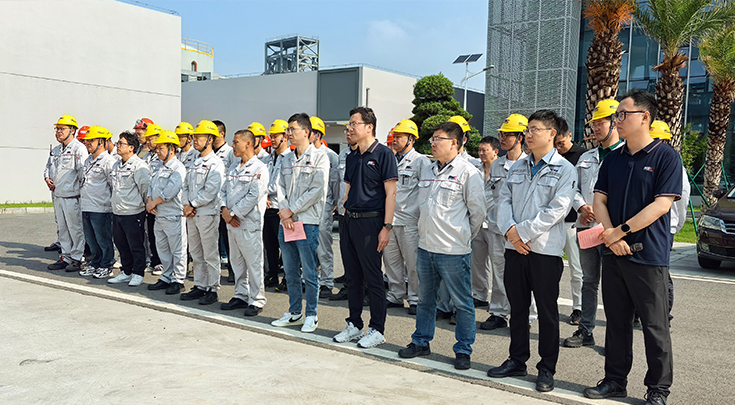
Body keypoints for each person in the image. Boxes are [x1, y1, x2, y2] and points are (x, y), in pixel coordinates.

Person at [583, 90, 681, 405]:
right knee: (616, 321)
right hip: (614, 252)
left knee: (654, 326)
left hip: (648, 255)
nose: (617, 120)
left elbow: (662, 205)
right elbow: (599, 200)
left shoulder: (666, 157)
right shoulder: (613, 158)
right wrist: (612, 237)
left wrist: (620, 232)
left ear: (645, 117)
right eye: (617, 115)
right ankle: (615, 381)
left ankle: (658, 389)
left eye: (623, 114)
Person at [488, 109, 576, 393]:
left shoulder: (565, 169)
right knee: (518, 308)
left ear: (552, 134)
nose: (528, 134)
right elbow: (503, 200)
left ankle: (546, 368)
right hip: (514, 248)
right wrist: (510, 232)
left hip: (544, 252)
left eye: (534, 129)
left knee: (547, 313)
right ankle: (517, 360)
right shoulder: (518, 167)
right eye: (528, 130)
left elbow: (557, 210)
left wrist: (521, 233)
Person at [397, 121, 485, 370]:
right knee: (425, 300)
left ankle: (463, 349)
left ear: (454, 143)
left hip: (453, 251)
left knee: (462, 303)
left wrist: (463, 237)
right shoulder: (427, 169)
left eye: (438, 139)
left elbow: (478, 213)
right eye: (432, 139)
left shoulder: (468, 172)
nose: (433, 143)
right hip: (426, 247)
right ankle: (421, 341)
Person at [332, 106, 398, 349]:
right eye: (349, 124)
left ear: (369, 127)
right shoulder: (351, 156)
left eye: (354, 123)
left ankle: (377, 329)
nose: (349, 128)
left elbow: (391, 193)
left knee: (373, 277)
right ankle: (354, 323)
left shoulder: (384, 154)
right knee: (352, 276)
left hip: (372, 222)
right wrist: (344, 211)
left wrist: (386, 227)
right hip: (349, 220)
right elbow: (349, 188)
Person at [563, 99, 624, 348]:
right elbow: (573, 187)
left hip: (612, 230)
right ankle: (585, 330)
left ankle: (616, 338)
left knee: (614, 285)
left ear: (615, 123)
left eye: (601, 122)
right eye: (594, 124)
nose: (595, 128)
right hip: (587, 228)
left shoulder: (626, 155)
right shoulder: (587, 157)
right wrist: (582, 207)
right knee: (589, 280)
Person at [271, 113, 329, 333]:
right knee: (290, 270)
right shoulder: (286, 158)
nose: (289, 133)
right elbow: (280, 186)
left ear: (306, 132)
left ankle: (312, 314)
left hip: (306, 222)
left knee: (310, 271)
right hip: (287, 222)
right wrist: (285, 212)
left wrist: (291, 210)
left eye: (292, 129)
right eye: (288, 129)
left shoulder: (319, 157)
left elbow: (317, 190)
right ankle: (295, 312)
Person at [479, 113, 537, 331]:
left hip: (521, 231)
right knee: (499, 273)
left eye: (508, 135)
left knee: (525, 275)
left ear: (520, 137)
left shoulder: (530, 163)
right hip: (497, 228)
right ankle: (498, 312)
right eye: (501, 135)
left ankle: (527, 316)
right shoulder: (496, 165)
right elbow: (490, 194)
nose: (502, 139)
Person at [383, 119, 430, 315]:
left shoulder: (421, 161)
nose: (395, 140)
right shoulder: (390, 159)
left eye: (399, 136)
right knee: (391, 261)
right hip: (390, 220)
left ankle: (416, 298)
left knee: (413, 263)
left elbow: (426, 193)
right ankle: (395, 295)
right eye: (394, 136)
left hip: (410, 220)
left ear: (411, 139)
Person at [220, 129, 270, 316]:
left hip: (248, 224)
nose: (233, 146)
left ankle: (257, 299)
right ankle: (240, 295)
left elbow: (254, 195)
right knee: (236, 262)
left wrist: (233, 213)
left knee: (254, 264)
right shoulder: (234, 167)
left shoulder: (260, 168)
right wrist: (224, 210)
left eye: (236, 142)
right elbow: (223, 190)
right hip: (231, 223)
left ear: (248, 143)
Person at [180, 120, 226, 305]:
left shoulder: (216, 163)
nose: (195, 140)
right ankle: (200, 285)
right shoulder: (194, 161)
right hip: (191, 213)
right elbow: (185, 185)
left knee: (210, 253)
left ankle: (213, 288)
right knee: (196, 252)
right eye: (195, 137)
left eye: (199, 137)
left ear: (210, 139)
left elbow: (211, 191)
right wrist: (186, 204)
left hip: (206, 213)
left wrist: (192, 204)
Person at [650, 120, 690, 322]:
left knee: (660, 272)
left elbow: (682, 202)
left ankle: (664, 313)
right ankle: (642, 313)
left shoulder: (674, 165)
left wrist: (674, 225)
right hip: (649, 225)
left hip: (665, 227)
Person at [146, 131, 188, 296]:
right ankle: (166, 276)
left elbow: (171, 190)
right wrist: (150, 200)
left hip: (173, 214)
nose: (158, 151)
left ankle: (178, 280)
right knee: (162, 248)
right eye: (157, 148)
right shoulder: (159, 166)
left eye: (161, 148)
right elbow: (151, 185)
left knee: (177, 249)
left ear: (172, 149)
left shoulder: (178, 167)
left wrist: (154, 202)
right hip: (159, 214)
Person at [45, 114, 89, 272]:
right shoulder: (56, 150)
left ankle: (77, 258)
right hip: (58, 195)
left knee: (75, 229)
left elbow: (83, 174)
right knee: (63, 229)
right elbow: (48, 168)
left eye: (62, 129)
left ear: (72, 130)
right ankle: (65, 256)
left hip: (72, 197)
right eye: (57, 129)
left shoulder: (79, 149)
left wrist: (80, 194)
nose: (58, 132)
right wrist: (47, 178)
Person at [107, 132, 151, 287]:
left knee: (136, 245)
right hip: (117, 211)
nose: (117, 146)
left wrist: (144, 207)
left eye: (121, 143)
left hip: (133, 212)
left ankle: (138, 273)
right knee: (121, 244)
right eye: (118, 143)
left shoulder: (139, 166)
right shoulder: (116, 165)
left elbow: (145, 189)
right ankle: (126, 271)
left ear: (131, 147)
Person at [554, 117, 586, 325]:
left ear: (570, 136)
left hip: (573, 222)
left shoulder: (582, 156)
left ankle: (578, 308)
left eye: (562, 143)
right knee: (550, 267)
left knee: (577, 268)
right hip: (553, 222)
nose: (559, 147)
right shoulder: (552, 156)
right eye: (555, 144)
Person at [308, 116, 341, 299]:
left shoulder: (331, 156)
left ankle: (327, 282)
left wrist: (332, 204)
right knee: (306, 245)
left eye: (310, 131)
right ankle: (309, 280)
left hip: (323, 205)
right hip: (305, 207)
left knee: (323, 246)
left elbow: (335, 183)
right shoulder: (302, 154)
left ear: (318, 134)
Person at [78, 126, 116, 279]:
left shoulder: (109, 161)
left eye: (91, 140)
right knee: (91, 240)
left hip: (101, 208)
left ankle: (107, 264)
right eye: (87, 140)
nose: (88, 143)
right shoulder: (88, 160)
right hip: (86, 206)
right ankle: (96, 262)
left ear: (101, 142)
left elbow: (113, 185)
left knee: (103, 240)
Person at [469, 135, 501, 309]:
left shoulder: (502, 169)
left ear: (495, 151)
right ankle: (479, 295)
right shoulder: (474, 168)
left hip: (496, 223)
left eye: (485, 150)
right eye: (479, 150)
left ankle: (498, 302)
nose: (481, 153)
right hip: (478, 222)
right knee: (478, 262)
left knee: (498, 264)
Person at [329, 139, 358, 301]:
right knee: (346, 251)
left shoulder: (373, 154)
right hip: (343, 210)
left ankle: (362, 289)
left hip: (359, 212)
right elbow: (338, 182)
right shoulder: (343, 154)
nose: (349, 133)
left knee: (360, 254)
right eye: (347, 130)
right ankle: (349, 283)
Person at [264, 119, 290, 289]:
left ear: (285, 137)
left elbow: (281, 185)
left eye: (276, 136)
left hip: (282, 208)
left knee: (286, 247)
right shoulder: (267, 159)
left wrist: (265, 192)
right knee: (270, 246)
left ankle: (288, 277)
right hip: (267, 208)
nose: (272, 139)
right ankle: (272, 275)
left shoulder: (290, 158)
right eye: (271, 136)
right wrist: (264, 195)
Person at [212, 120, 236, 283]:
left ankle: (233, 271)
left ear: (222, 134)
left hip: (224, 202)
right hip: (209, 203)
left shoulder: (230, 152)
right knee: (211, 240)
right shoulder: (208, 153)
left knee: (228, 240)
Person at [142, 124, 165, 276]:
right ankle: (154, 260)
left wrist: (155, 201)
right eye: (148, 139)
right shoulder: (147, 157)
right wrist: (148, 201)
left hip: (160, 202)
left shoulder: (163, 157)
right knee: (151, 233)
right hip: (149, 201)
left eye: (151, 139)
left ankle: (161, 263)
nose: (148, 142)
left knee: (161, 235)